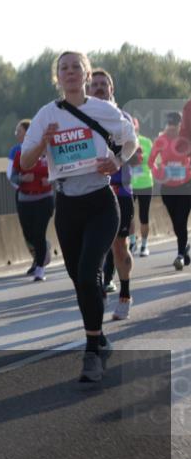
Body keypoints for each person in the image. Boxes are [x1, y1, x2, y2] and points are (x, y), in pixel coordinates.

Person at [20, 51, 137, 384]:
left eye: (76, 68)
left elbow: (129, 142)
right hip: (68, 205)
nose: (70, 72)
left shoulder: (104, 110)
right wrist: (43, 142)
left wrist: (117, 161)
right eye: (64, 68)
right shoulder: (46, 115)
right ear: (57, 77)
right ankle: (99, 338)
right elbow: (26, 162)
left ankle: (91, 352)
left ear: (86, 75)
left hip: (101, 202)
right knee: (81, 280)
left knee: (88, 273)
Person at [87, 69, 139, 318]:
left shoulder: (122, 117)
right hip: (91, 191)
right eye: (94, 84)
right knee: (93, 248)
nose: (98, 87)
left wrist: (117, 160)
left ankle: (125, 294)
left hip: (120, 191)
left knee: (119, 247)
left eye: (103, 84)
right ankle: (100, 293)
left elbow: (132, 149)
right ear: (88, 89)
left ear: (111, 89)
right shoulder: (80, 117)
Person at [8, 119, 54, 281]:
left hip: (44, 198)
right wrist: (22, 178)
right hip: (25, 199)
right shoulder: (20, 154)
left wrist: (50, 180)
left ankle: (40, 268)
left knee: (39, 232)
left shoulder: (50, 153)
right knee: (29, 234)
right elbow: (13, 176)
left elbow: (61, 172)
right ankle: (43, 249)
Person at [148, 110, 191, 271]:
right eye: (169, 124)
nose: (171, 127)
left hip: (185, 186)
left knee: (181, 220)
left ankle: (180, 255)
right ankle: (184, 248)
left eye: (175, 124)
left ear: (180, 125)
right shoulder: (161, 141)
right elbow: (150, 161)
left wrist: (188, 170)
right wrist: (157, 173)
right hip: (167, 188)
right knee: (176, 224)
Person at [129, 117, 155, 257]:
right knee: (128, 215)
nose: (132, 130)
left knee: (144, 216)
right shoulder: (125, 142)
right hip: (129, 184)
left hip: (145, 183)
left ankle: (144, 245)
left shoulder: (146, 142)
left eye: (134, 127)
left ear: (137, 128)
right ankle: (133, 243)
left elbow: (152, 161)